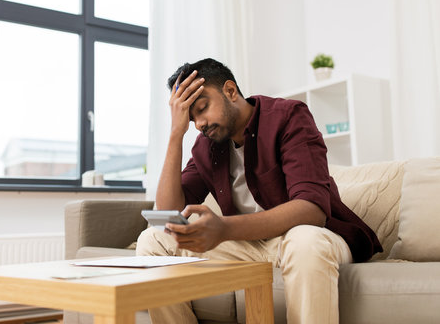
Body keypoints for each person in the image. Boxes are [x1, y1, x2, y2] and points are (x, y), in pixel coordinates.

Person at [136, 58, 382, 324]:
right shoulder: (206, 145)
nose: (199, 124)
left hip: (308, 238)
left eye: (203, 108)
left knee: (304, 240)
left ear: (230, 91)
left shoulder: (288, 117)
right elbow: (168, 213)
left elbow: (312, 210)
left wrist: (224, 228)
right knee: (152, 241)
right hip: (247, 246)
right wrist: (175, 133)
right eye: (191, 118)